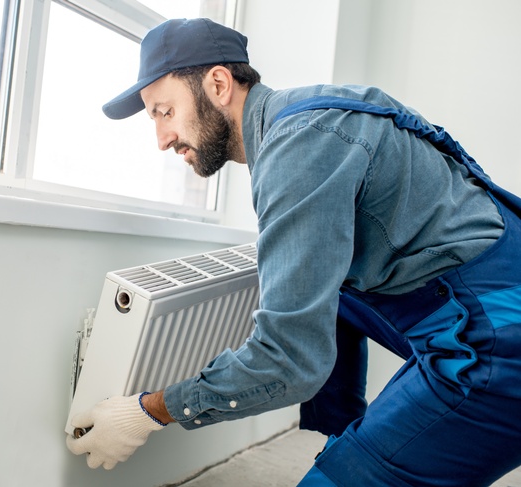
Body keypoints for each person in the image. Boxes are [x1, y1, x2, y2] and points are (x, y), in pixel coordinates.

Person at [65, 18, 521, 486]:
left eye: (164, 112)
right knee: (321, 282)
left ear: (218, 84)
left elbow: (287, 359)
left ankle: (360, 465)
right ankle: (347, 438)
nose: (161, 139)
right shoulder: (313, 111)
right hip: (490, 290)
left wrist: (148, 411)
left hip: (499, 341)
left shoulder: (296, 152)